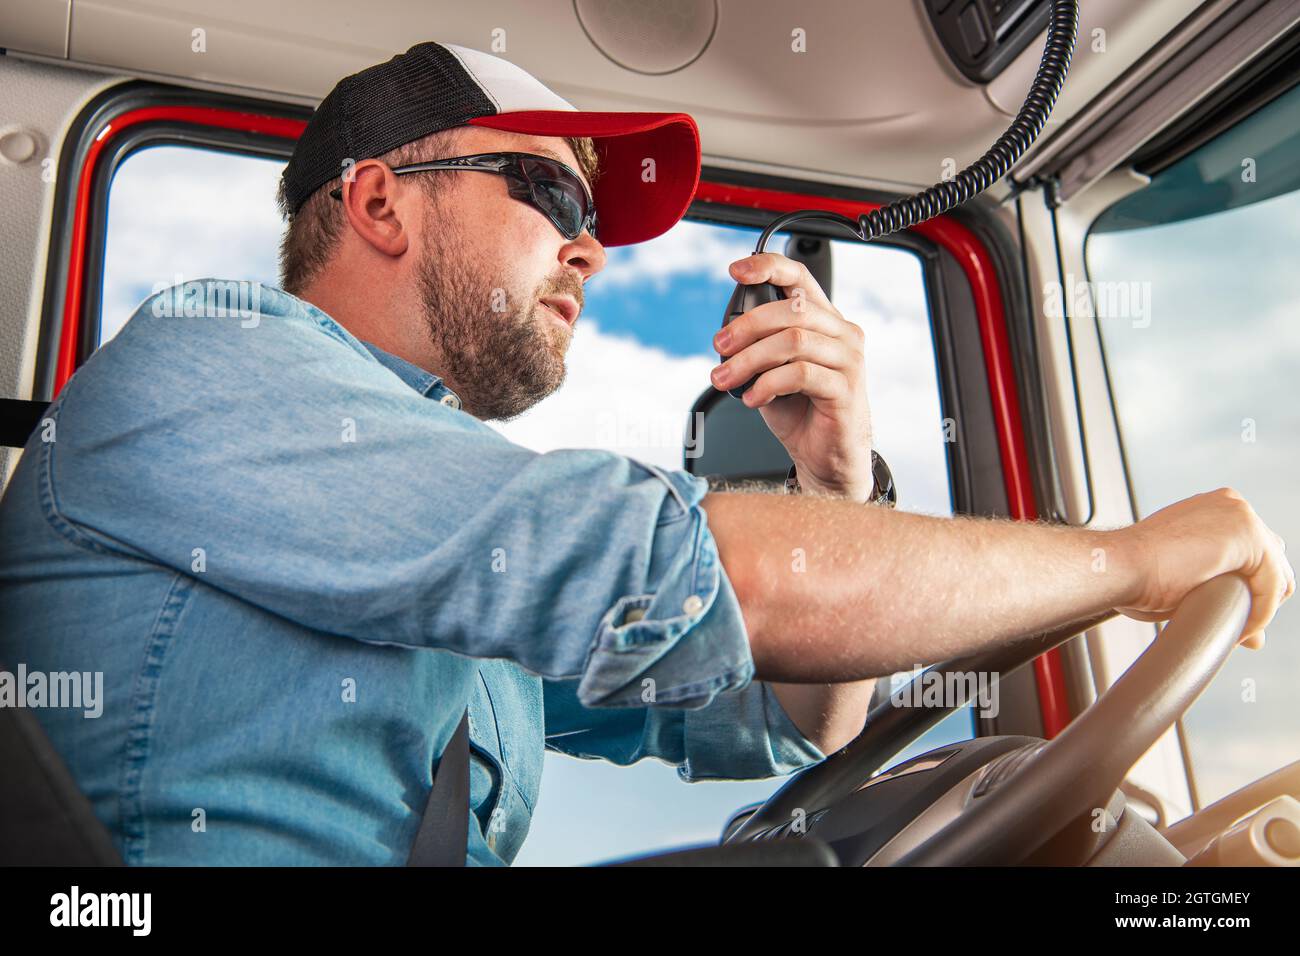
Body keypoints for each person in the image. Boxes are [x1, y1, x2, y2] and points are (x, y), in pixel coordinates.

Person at [0, 41, 1291, 867]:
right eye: (554, 196)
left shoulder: (429, 524)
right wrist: (1130, 563)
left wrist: (834, 483)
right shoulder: (211, 363)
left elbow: (781, 724)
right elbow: (737, 585)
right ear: (381, 200)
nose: (591, 250)